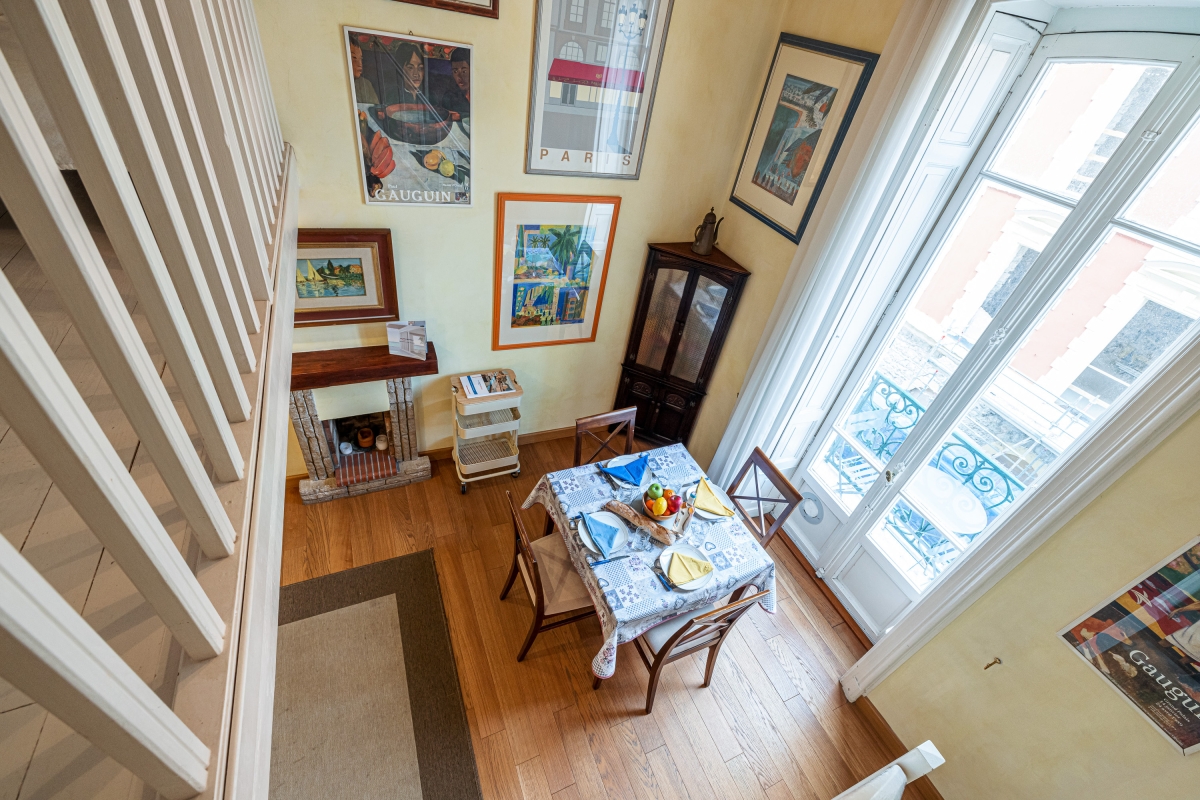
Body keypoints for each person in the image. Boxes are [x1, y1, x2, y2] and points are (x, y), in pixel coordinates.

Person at [376, 41, 456, 146]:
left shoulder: (430, 96)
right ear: (400, 69)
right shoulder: (392, 95)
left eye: (420, 68)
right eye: (410, 67)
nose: (416, 74)